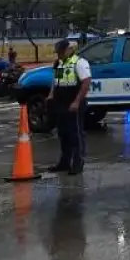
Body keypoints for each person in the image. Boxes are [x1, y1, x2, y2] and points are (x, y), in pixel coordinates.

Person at [48, 37, 93, 175]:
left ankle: (78, 162)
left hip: (74, 102)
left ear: (69, 50)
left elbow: (86, 82)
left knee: (76, 134)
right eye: (58, 52)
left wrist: (77, 102)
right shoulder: (60, 63)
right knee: (63, 133)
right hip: (61, 103)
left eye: (61, 52)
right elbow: (56, 81)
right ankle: (65, 162)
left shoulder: (79, 63)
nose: (59, 55)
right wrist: (51, 94)